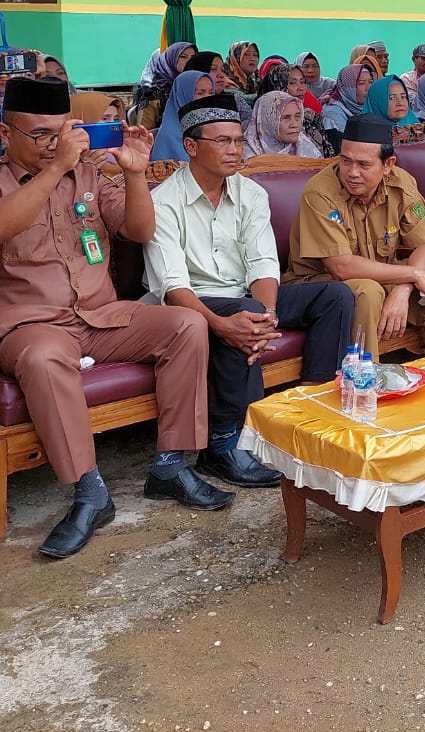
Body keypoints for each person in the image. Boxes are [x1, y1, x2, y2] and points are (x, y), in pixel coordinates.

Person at [0, 77, 226, 559]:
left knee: (187, 324)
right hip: (26, 325)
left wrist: (136, 174)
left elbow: (140, 229)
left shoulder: (88, 174)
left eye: (61, 132)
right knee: (42, 356)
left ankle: (170, 465)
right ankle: (89, 490)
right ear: (5, 133)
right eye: (40, 135)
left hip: (98, 316)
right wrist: (55, 165)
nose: (53, 144)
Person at [144, 95, 351, 492]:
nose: (235, 150)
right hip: (190, 305)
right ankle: (223, 443)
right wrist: (224, 323)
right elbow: (172, 287)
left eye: (239, 141)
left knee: (335, 296)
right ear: (191, 146)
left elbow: (263, 264)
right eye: (222, 141)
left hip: (246, 297)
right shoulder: (164, 202)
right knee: (244, 310)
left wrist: (268, 315)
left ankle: (309, 411)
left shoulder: (251, 193)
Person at [287, 114, 425, 357]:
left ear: (388, 164)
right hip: (322, 284)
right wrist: (413, 274)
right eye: (346, 161)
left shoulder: (400, 182)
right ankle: (363, 382)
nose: (352, 172)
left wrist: (403, 288)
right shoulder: (320, 192)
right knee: (367, 291)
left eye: (363, 164)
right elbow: (341, 267)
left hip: (383, 273)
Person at [150, 70, 216, 162]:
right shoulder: (169, 134)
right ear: (183, 95)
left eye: (211, 93)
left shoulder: (215, 125)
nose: (208, 98)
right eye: (200, 93)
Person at [245, 90, 322, 159]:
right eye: (286, 118)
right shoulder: (245, 157)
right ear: (267, 122)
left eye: (297, 117)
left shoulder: (305, 146)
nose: (294, 124)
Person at [364, 76, 425, 143]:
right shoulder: (366, 135)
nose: (400, 103)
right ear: (376, 102)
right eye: (392, 98)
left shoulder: (415, 126)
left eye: (403, 97)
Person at [323, 63, 372, 133]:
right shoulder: (332, 114)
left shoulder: (367, 108)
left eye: (370, 82)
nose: (368, 88)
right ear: (347, 88)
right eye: (361, 83)